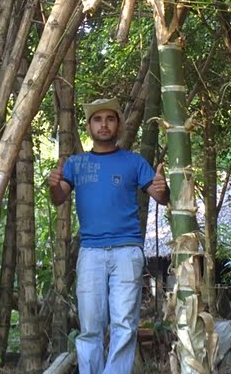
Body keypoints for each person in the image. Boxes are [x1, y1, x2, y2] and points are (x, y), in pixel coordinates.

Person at [48, 97, 170, 374]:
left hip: (127, 251)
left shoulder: (134, 162)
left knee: (124, 325)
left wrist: (163, 187)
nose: (104, 124)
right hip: (90, 252)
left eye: (110, 119)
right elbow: (59, 198)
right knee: (90, 327)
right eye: (97, 119)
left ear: (118, 125)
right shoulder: (76, 164)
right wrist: (54, 185)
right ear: (89, 126)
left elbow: (160, 197)